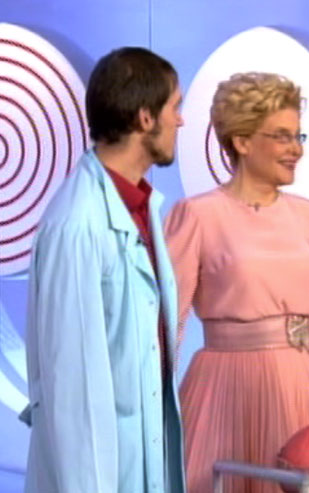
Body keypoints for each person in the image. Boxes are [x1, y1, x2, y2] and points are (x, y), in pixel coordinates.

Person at [164, 72, 309, 492]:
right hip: (227, 392)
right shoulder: (198, 214)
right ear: (242, 141)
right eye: (281, 137)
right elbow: (166, 326)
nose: (296, 149)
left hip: (303, 391)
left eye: (298, 136)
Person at [22, 47, 185, 493]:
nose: (181, 121)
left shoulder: (140, 208)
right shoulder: (78, 224)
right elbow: (74, 394)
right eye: (175, 107)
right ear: (145, 117)